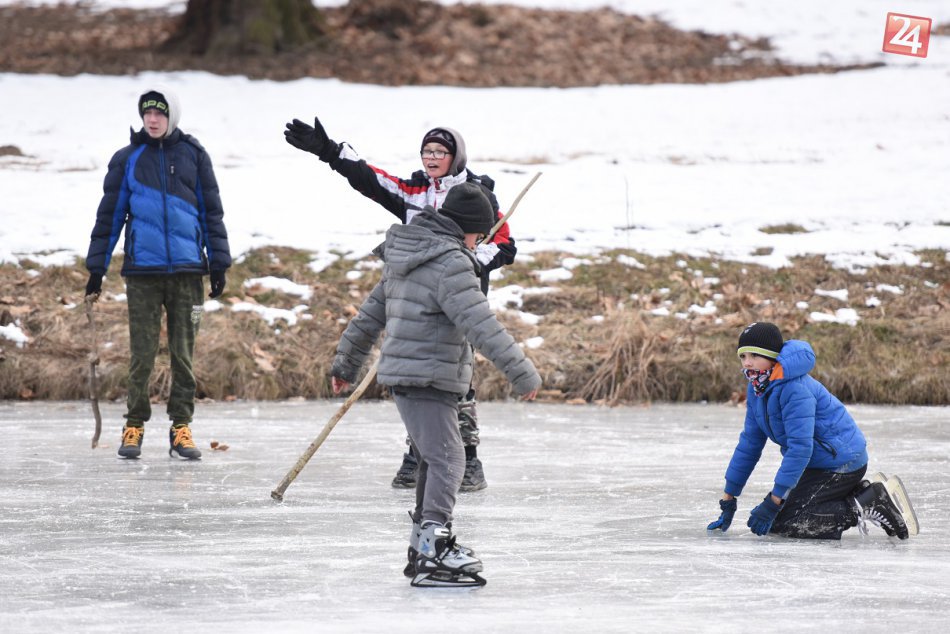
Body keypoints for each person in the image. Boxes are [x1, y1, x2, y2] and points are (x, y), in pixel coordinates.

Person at [285, 117, 514, 492]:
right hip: (416, 300)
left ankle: (470, 459)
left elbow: (505, 244)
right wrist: (329, 151)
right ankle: (416, 453)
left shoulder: (478, 195)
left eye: (441, 152)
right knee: (415, 374)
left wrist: (468, 261)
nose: (433, 158)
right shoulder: (415, 192)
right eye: (427, 151)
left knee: (457, 379)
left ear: (456, 156)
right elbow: (370, 179)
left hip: (458, 300)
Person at [329, 183, 541, 587]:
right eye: (478, 235)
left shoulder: (407, 256)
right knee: (449, 460)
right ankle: (433, 548)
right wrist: (522, 373)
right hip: (427, 375)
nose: (478, 242)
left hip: (411, 376)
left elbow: (369, 316)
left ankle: (422, 545)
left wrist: (346, 363)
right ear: (468, 230)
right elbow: (481, 325)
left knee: (433, 459)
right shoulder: (451, 264)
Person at [84, 87, 231, 461]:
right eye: (147, 112)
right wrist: (96, 269)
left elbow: (211, 214)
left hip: (187, 275)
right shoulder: (128, 159)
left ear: (172, 116)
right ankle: (133, 424)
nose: (152, 119)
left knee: (184, 354)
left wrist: (218, 264)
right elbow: (109, 217)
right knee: (142, 355)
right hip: (143, 275)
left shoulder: (194, 156)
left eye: (160, 113)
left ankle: (181, 427)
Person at [706, 322, 919, 540]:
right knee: (777, 523)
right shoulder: (758, 389)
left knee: (792, 523)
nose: (747, 363)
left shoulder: (794, 389)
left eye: (754, 355)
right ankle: (856, 493)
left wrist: (774, 500)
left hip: (841, 462)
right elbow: (749, 444)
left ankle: (868, 501)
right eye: (742, 356)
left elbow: (800, 448)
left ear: (772, 357)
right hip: (817, 463)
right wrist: (729, 498)